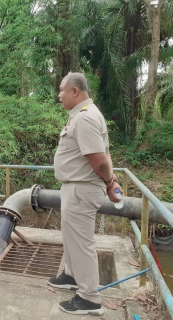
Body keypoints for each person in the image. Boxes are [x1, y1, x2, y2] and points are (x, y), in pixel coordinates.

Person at [48, 72, 123, 316]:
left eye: (61, 90)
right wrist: (110, 181)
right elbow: (103, 154)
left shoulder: (85, 118)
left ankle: (89, 298)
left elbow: (99, 160)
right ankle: (71, 276)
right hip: (75, 187)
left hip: (82, 187)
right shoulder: (84, 115)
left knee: (81, 243)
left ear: (75, 91)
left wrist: (110, 181)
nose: (59, 95)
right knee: (71, 238)